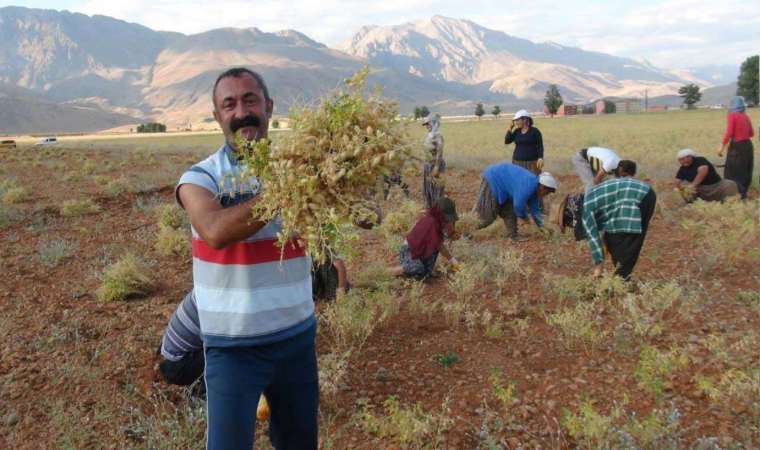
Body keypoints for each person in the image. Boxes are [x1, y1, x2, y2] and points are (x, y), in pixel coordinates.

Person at [175, 67, 317, 450]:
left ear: (269, 106)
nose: (242, 112)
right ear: (217, 115)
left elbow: (368, 218)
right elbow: (215, 230)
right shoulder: (201, 178)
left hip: (297, 340)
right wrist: (289, 190)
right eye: (229, 104)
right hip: (233, 349)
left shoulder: (304, 169)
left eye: (250, 100)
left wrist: (343, 180)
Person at [582, 160, 656, 281]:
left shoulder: (587, 206)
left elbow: (593, 237)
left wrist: (598, 267)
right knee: (623, 237)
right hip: (648, 194)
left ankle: (621, 279)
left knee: (623, 237)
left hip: (637, 197)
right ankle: (622, 275)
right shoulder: (593, 194)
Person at [474, 162, 558, 241]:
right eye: (547, 192)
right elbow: (518, 205)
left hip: (504, 185)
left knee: (509, 212)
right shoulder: (528, 185)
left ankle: (513, 235)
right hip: (493, 179)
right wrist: (525, 217)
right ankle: (466, 230)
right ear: (542, 187)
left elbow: (535, 211)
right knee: (487, 217)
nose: (546, 195)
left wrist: (544, 228)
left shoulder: (535, 190)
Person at [390, 197, 459, 279]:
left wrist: (451, 232)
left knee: (424, 274)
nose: (447, 221)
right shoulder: (431, 223)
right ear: (440, 214)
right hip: (409, 251)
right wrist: (452, 259)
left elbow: (439, 241)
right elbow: (440, 246)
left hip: (419, 251)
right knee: (417, 268)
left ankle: (412, 272)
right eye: (446, 218)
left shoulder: (436, 221)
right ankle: (391, 271)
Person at [718, 96, 754, 199]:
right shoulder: (746, 116)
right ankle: (744, 194)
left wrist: (721, 146)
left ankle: (732, 196)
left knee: (733, 171)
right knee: (746, 170)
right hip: (748, 145)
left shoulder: (732, 115)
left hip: (737, 147)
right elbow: (751, 133)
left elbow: (729, 132)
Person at [505, 109, 544, 174]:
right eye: (515, 121)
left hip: (532, 163)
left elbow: (540, 146)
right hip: (517, 162)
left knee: (532, 181)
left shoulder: (535, 132)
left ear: (525, 120)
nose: (516, 122)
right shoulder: (516, 131)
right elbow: (507, 141)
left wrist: (540, 158)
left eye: (518, 120)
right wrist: (510, 128)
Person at [421, 114, 445, 208]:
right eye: (426, 124)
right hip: (428, 165)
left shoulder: (438, 136)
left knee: (436, 187)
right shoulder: (429, 136)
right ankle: (430, 207)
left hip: (435, 165)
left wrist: (436, 166)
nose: (427, 126)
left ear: (434, 123)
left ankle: (437, 208)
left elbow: (440, 151)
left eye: (428, 124)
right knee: (427, 187)